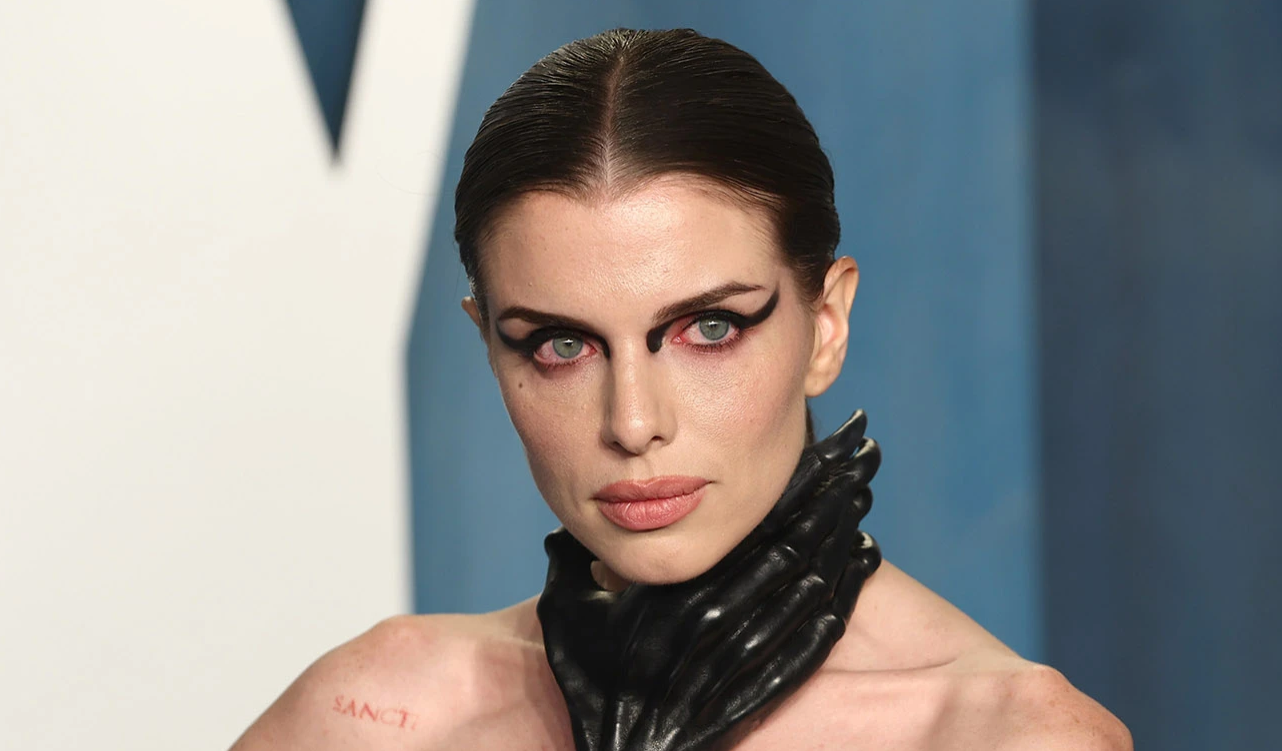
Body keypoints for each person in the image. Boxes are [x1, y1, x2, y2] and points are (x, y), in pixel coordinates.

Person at [230, 28, 1131, 750]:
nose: (633, 422)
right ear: (489, 346)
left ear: (825, 326)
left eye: (709, 329)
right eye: (560, 344)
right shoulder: (372, 716)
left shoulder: (1006, 735)